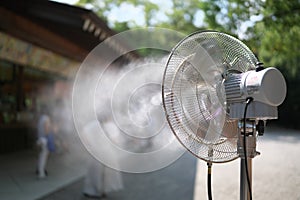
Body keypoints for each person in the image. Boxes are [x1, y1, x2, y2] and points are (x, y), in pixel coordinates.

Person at [82, 115, 123, 199]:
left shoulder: (92, 124)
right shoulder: (110, 126)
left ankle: (93, 191)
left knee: (93, 173)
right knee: (105, 173)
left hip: (94, 152)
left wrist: (89, 145)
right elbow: (115, 140)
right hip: (105, 152)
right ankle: (102, 190)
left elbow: (83, 134)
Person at [36, 105, 54, 179]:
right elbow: (46, 129)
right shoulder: (46, 118)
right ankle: (41, 173)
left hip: (40, 139)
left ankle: (39, 170)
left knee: (41, 156)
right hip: (45, 139)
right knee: (43, 157)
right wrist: (51, 130)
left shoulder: (41, 118)